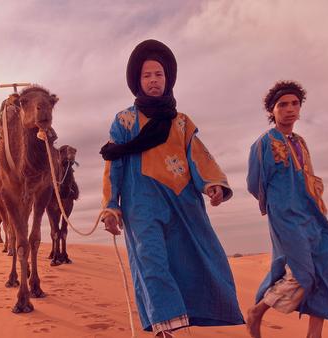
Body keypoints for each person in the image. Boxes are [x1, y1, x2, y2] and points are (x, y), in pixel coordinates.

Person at [100, 39, 244, 337]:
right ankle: (164, 332)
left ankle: (187, 321)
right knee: (151, 263)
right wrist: (110, 205)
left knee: (193, 261)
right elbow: (113, 164)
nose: (154, 80)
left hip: (183, 204)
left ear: (168, 79)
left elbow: (199, 156)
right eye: (147, 75)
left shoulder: (181, 123)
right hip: (141, 205)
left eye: (159, 75)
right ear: (137, 82)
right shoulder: (125, 121)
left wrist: (213, 184)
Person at [245, 81, 328, 338]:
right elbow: (254, 183)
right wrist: (279, 205)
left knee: (327, 267)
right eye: (282, 105)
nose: (289, 109)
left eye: (294, 104)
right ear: (272, 110)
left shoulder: (300, 142)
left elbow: (309, 178)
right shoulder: (263, 143)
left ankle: (315, 335)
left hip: (313, 217)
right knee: (302, 274)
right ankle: (256, 312)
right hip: (286, 219)